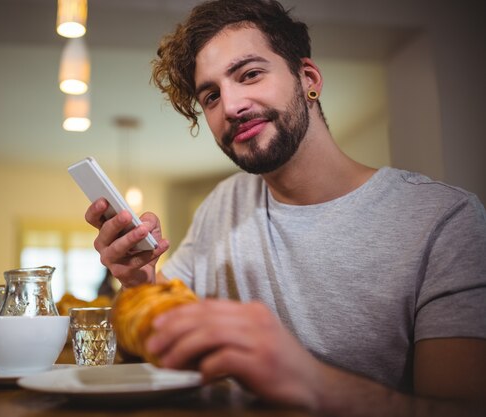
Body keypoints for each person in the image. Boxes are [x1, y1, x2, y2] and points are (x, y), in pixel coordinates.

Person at [84, 0, 486, 415]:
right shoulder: (224, 204)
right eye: (211, 96)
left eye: (250, 74)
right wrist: (140, 284)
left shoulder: (444, 220)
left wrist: (312, 381)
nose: (232, 106)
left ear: (308, 78)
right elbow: (157, 348)